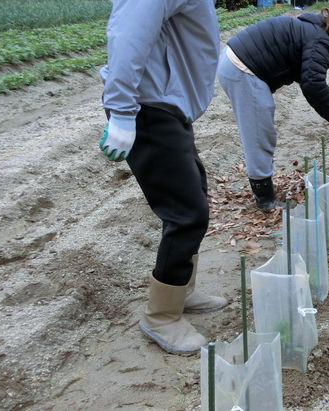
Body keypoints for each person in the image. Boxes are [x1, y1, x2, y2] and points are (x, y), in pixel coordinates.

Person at [98, 0, 227, 354]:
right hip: (147, 107)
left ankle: (182, 290)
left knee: (195, 196)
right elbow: (129, 32)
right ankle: (161, 316)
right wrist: (122, 110)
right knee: (186, 214)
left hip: (166, 105)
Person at [218, 8, 329, 211]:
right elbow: (315, 86)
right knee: (260, 132)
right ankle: (264, 198)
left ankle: (264, 188)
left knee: (262, 128)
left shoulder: (316, 36)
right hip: (242, 68)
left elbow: (309, 87)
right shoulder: (320, 44)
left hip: (238, 62)